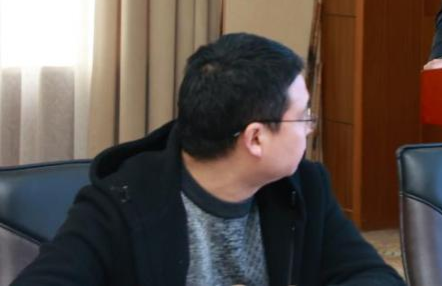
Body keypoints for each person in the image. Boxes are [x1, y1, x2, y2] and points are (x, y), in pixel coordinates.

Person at [14, 32, 405, 286]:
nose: (309, 129)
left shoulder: (304, 187)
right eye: (303, 116)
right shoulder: (122, 203)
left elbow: (368, 275)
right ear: (255, 138)